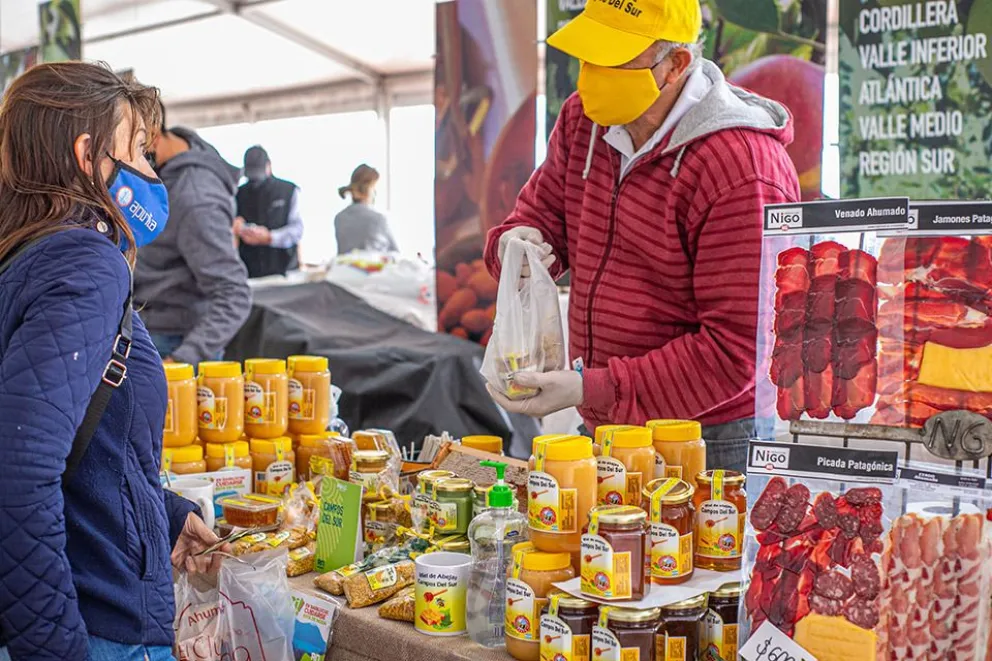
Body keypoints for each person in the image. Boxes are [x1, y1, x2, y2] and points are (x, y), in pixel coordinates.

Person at [483, 0, 800, 472]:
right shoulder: (583, 121)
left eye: (614, 61)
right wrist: (514, 247)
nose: (592, 76)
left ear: (676, 64)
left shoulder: (741, 168)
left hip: (709, 439)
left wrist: (590, 389)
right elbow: (539, 218)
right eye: (590, 56)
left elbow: (737, 350)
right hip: (607, 422)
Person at [0, 62, 224, 661]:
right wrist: (54, 647)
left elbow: (79, 436)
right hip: (90, 617)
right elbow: (19, 472)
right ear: (87, 153)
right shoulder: (83, 261)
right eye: (140, 151)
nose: (152, 173)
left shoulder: (25, 252)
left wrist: (165, 515)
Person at [136, 103, 250, 365]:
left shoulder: (196, 201)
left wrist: (180, 360)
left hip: (171, 343)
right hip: (149, 328)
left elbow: (234, 293)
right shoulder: (168, 166)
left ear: (151, 134)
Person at [233, 145, 304, 278]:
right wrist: (238, 229)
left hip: (285, 273)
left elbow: (297, 230)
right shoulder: (237, 194)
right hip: (250, 274)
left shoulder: (289, 190)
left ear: (269, 165)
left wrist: (270, 237)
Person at [334, 164, 399, 254]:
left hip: (344, 267)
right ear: (368, 190)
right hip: (374, 267)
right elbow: (396, 253)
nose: (375, 193)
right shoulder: (378, 219)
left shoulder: (339, 219)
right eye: (374, 189)